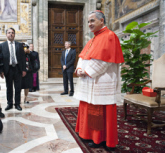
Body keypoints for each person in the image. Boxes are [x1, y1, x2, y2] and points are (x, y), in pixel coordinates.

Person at [73, 10, 124, 150]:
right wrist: (78, 69)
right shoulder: (92, 39)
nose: (89, 24)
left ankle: (102, 139)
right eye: (88, 21)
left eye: (92, 21)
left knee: (100, 111)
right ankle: (89, 135)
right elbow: (83, 57)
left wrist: (87, 71)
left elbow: (104, 61)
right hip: (89, 80)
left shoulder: (109, 36)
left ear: (101, 21)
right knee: (90, 108)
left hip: (102, 80)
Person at [0, 28, 26, 111]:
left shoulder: (19, 45)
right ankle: (9, 103)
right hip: (8, 69)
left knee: (18, 87)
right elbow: (0, 59)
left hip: (17, 69)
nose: (11, 34)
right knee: (9, 87)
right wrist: (1, 71)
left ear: (14, 34)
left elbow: (23, 58)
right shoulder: (2, 45)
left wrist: (24, 69)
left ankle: (17, 104)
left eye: (12, 33)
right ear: (6, 34)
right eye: (9, 33)